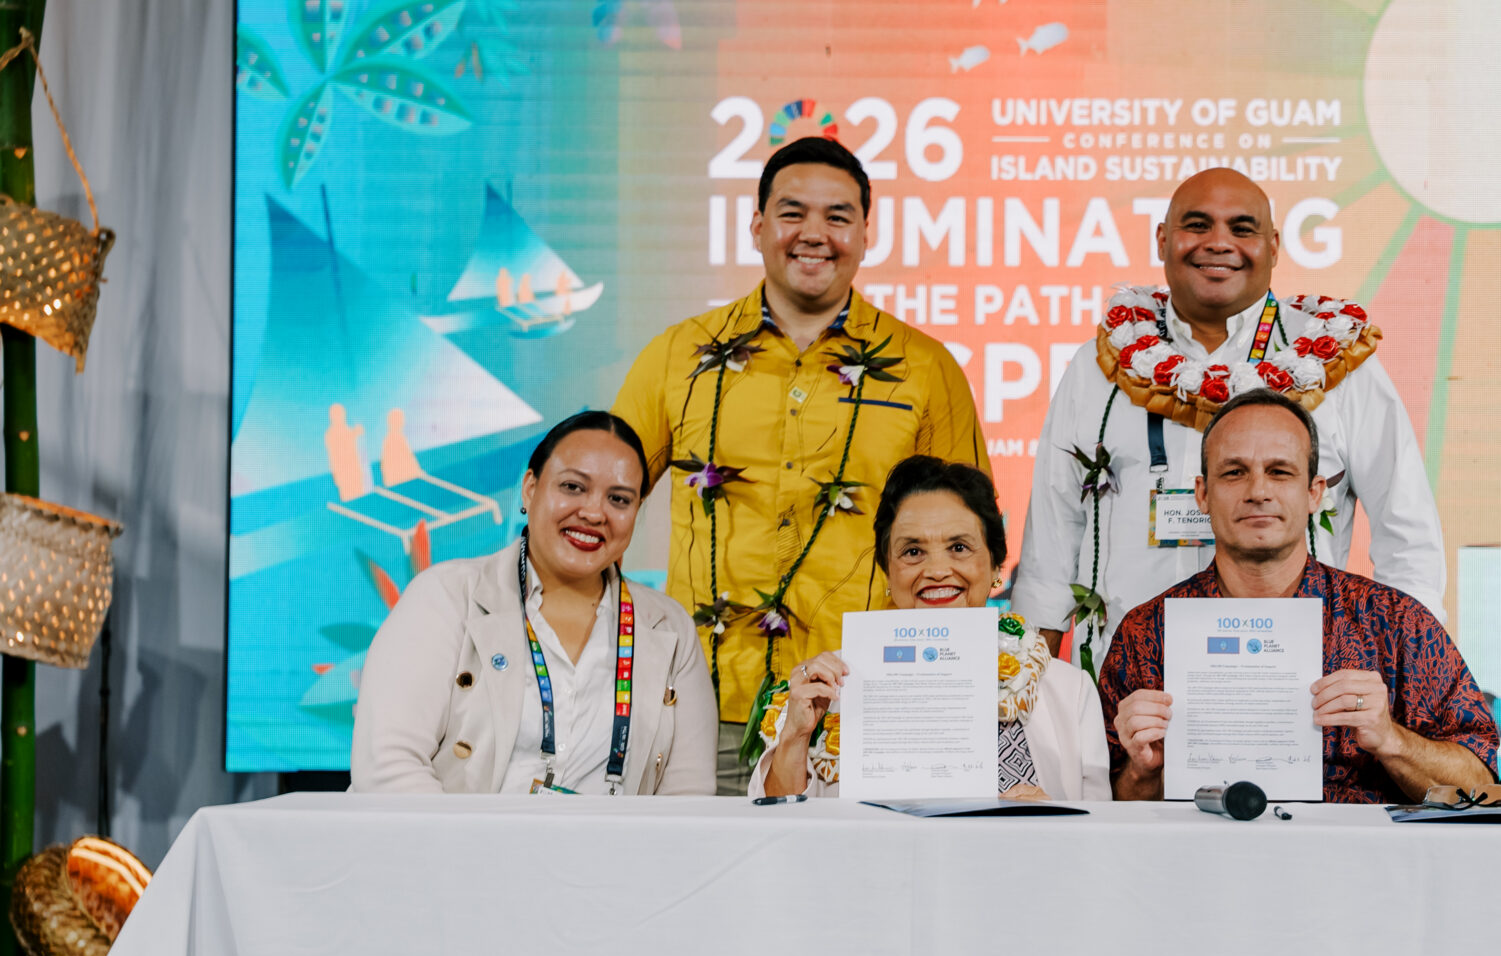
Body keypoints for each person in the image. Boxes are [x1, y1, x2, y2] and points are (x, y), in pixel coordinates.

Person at [613, 137, 986, 792]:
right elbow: (599, 503)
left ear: (866, 234)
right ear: (757, 225)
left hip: (865, 705)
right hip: (698, 705)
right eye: (793, 212)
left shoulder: (925, 370)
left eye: (838, 216)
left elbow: (968, 547)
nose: (814, 233)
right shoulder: (678, 358)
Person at [1014, 168, 1445, 675]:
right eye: (1197, 225)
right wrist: (1029, 684)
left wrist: (1410, 678)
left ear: (1274, 246)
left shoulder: (1333, 362)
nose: (1219, 243)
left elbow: (1406, 534)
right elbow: (1051, 539)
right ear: (1162, 239)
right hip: (1127, 685)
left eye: (1242, 228)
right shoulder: (1098, 366)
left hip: (1299, 683)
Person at [1098, 389, 1495, 803]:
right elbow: (1106, 811)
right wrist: (1144, 771)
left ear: (1314, 492)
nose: (1258, 491)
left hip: (1356, 847)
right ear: (1202, 494)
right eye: (1234, 472)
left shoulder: (1396, 623)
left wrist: (1391, 739)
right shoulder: (1146, 634)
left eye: (1280, 471)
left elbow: (1482, 789)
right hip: (1203, 846)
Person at [351, 411, 718, 795]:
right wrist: (468, 839)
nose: (594, 512)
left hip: (614, 838)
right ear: (530, 489)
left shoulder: (668, 627)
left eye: (619, 499)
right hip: (451, 834)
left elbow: (688, 795)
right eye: (573, 487)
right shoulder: (446, 596)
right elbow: (388, 765)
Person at [749, 456, 1109, 801]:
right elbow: (779, 829)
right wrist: (795, 736)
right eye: (913, 552)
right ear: (887, 571)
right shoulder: (828, 690)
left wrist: (1050, 820)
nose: (937, 570)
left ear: (995, 565)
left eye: (959, 547)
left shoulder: (1069, 692)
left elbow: (1100, 833)